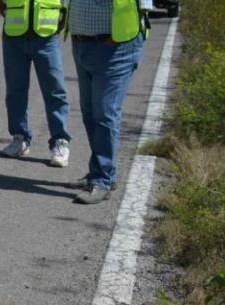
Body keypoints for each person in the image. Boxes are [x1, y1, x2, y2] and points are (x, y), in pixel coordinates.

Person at [68, 0, 151, 203]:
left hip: (115, 47)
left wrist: (118, 37)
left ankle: (102, 180)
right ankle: (103, 172)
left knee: (105, 113)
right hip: (82, 44)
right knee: (89, 113)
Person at [0, 0, 72, 167]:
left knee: (54, 91)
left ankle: (60, 142)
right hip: (14, 36)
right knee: (15, 91)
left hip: (46, 36)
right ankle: (20, 138)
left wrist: (63, 17)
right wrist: (7, 12)